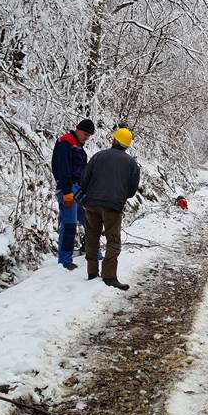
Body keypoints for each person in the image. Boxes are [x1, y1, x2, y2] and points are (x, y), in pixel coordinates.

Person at [79, 127, 141, 290]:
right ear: (127, 145)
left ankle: (92, 272)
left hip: (92, 204)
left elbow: (84, 180)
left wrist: (87, 194)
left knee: (92, 236)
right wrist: (120, 196)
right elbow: (132, 190)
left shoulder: (98, 156)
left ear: (114, 140)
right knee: (113, 240)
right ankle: (109, 276)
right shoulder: (132, 164)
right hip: (113, 206)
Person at [52, 118, 94, 270]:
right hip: (67, 189)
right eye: (85, 134)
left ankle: (93, 252)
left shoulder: (78, 147)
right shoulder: (65, 143)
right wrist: (67, 192)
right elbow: (63, 169)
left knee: (89, 221)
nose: (86, 138)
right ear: (78, 129)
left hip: (78, 189)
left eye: (89, 136)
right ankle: (64, 260)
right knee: (69, 224)